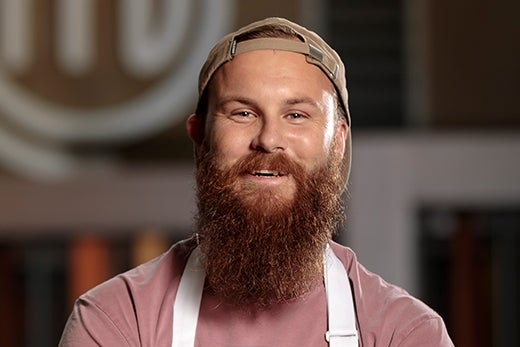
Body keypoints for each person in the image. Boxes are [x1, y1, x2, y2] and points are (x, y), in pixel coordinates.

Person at [59, 17, 454, 347]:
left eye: (297, 115)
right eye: (242, 113)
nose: (268, 139)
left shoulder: (403, 333)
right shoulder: (119, 322)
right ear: (199, 136)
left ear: (337, 142)